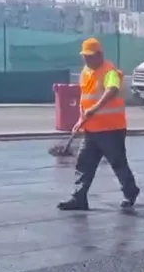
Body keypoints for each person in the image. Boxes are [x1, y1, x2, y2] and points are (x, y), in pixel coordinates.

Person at [58, 37, 139, 211]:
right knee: (84, 164)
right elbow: (85, 99)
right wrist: (80, 120)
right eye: (85, 56)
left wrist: (94, 108)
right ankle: (79, 198)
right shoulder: (85, 72)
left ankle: (130, 192)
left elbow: (113, 90)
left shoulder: (110, 72)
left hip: (111, 129)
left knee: (118, 163)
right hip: (91, 128)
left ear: (99, 55)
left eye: (90, 56)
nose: (87, 59)